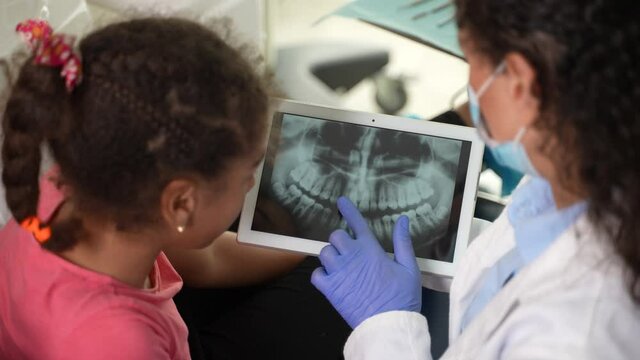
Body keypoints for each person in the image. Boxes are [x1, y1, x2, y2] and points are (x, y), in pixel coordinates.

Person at [311, 0, 640, 358]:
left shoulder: (571, 340)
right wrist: (441, 239)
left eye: (472, 61)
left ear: (518, 80)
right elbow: (527, 256)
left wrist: (385, 325)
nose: (470, 86)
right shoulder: (573, 175)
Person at [0, 17, 308, 359]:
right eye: (249, 172)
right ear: (180, 204)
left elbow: (207, 259)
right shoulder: (119, 345)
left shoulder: (79, 189)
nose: (252, 183)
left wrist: (307, 245)